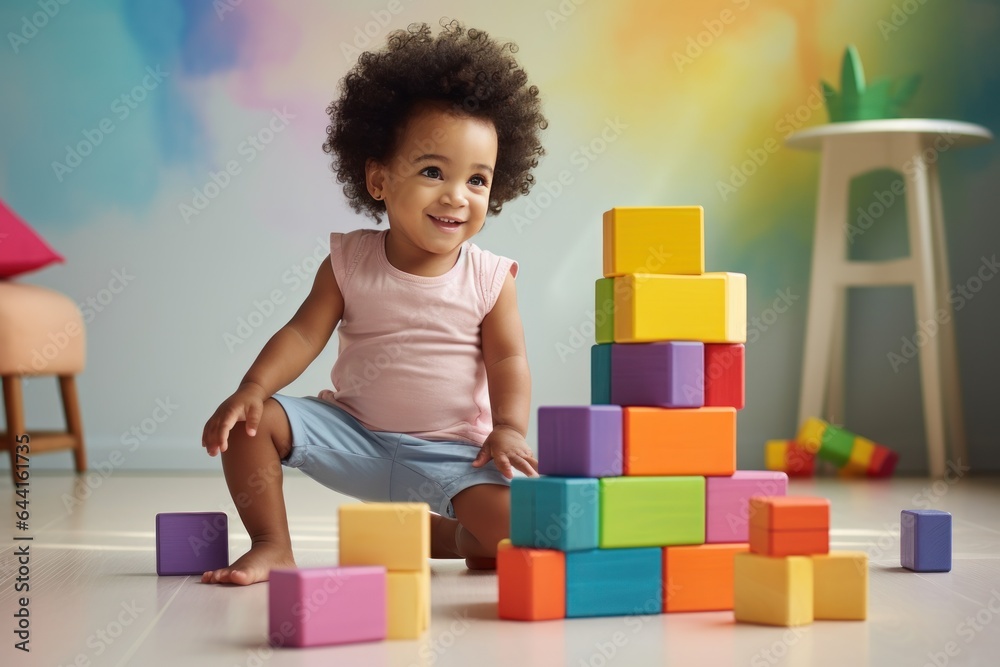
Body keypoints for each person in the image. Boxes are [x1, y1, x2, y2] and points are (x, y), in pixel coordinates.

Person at [199, 20, 547, 585]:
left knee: (515, 540)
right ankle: (271, 545)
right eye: (433, 171)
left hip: (455, 457)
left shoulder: (490, 278)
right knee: (251, 424)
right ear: (379, 179)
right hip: (353, 434)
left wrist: (507, 426)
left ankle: (446, 535)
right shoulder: (350, 261)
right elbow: (301, 335)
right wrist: (254, 388)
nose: (457, 196)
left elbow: (509, 360)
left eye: (478, 180)